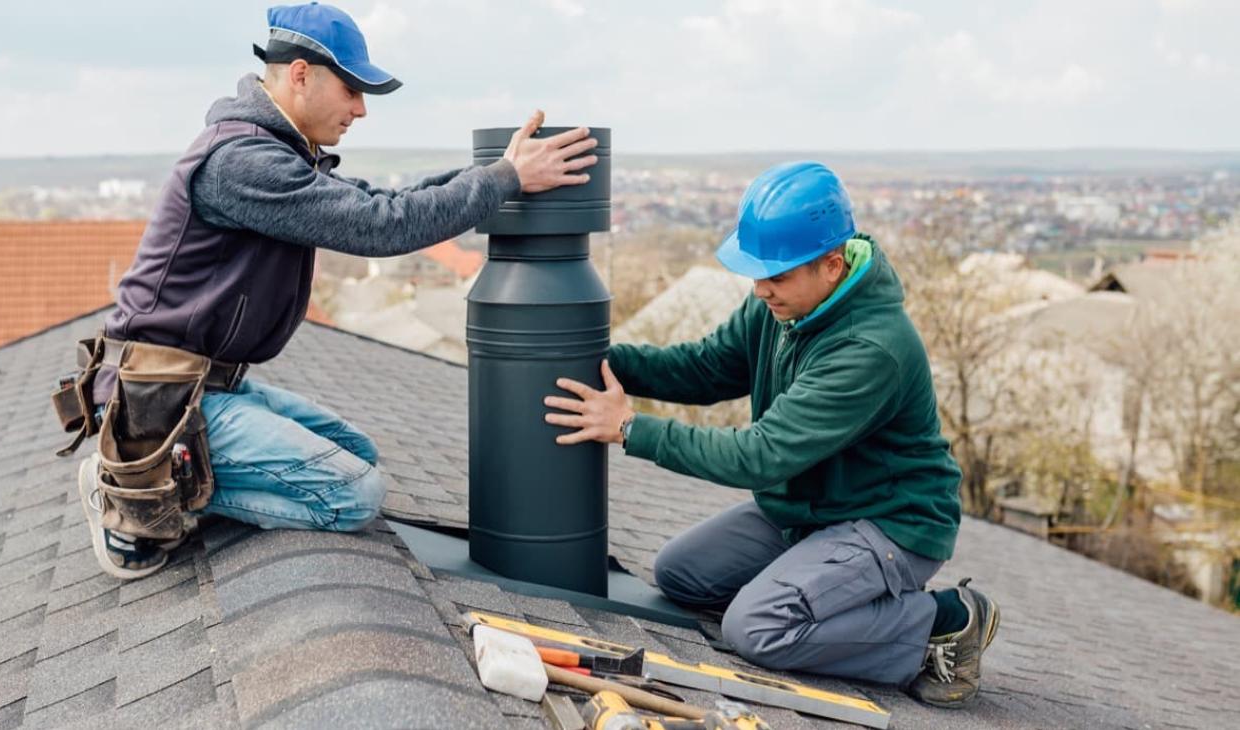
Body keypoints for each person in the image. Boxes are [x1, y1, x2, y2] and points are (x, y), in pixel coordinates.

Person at [71, 3, 596, 581]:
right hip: (161, 401)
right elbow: (383, 226)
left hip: (205, 389)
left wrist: (495, 169)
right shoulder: (242, 162)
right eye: (351, 90)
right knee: (354, 493)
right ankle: (136, 491)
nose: (360, 109)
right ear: (300, 74)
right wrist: (507, 179)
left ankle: (170, 474)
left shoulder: (277, 152)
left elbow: (381, 201)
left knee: (358, 453)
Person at [544, 161, 999, 707]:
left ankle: (941, 622)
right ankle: (825, 592)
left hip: (888, 524)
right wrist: (601, 360)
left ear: (832, 266)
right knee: (681, 574)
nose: (760, 290)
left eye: (775, 277)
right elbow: (708, 368)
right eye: (757, 274)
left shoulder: (870, 349)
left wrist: (629, 428)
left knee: (756, 629)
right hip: (807, 512)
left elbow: (758, 457)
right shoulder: (785, 306)